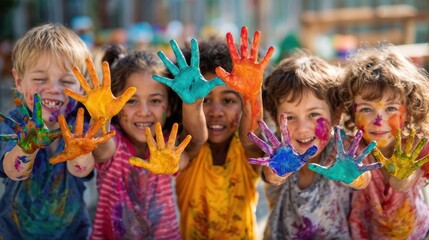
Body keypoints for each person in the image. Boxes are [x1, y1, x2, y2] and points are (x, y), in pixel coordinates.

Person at [84, 45, 206, 240]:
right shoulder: (114, 141)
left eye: (155, 100)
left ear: (170, 104)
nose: (144, 111)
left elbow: (194, 142)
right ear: (115, 103)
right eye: (131, 101)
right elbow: (100, 147)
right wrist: (100, 115)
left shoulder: (167, 145)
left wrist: (193, 104)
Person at [257, 49, 379, 239]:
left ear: (336, 115)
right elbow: (271, 177)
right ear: (275, 118)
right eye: (290, 117)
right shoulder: (279, 152)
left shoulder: (342, 150)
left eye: (314, 114)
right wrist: (277, 171)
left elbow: (363, 179)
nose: (302, 128)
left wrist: (355, 177)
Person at [168, 26, 273, 239]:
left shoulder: (247, 150)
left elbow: (250, 136)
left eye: (228, 100)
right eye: (204, 100)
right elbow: (196, 135)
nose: (216, 112)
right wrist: (192, 102)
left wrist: (252, 94)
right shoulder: (187, 151)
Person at [0, 23, 103, 239]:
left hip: (72, 232)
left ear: (81, 88)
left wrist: (80, 149)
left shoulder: (80, 127)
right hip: (15, 233)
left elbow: (81, 170)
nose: (54, 88)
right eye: (39, 79)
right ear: (19, 81)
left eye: (66, 81)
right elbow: (14, 171)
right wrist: (27, 147)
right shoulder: (13, 125)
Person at [339, 44, 429, 239]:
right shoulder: (353, 149)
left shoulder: (417, 147)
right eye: (366, 109)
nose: (378, 121)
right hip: (365, 233)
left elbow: (402, 184)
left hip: (416, 234)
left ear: (409, 108)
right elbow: (359, 181)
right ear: (352, 111)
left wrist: (403, 177)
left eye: (390, 109)